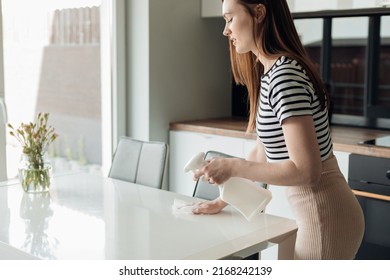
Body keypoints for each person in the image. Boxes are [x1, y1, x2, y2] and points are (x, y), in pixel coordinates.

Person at [192, 0, 364, 260]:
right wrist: (222, 201)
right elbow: (263, 151)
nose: (225, 31)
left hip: (325, 217)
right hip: (319, 213)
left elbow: (307, 172)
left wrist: (232, 166)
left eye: (229, 18)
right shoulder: (272, 71)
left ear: (259, 13)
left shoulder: (285, 76)